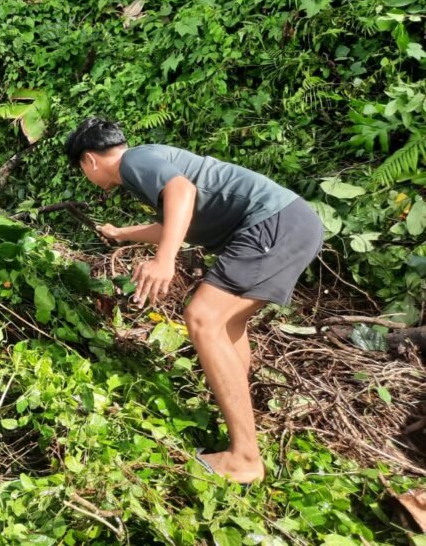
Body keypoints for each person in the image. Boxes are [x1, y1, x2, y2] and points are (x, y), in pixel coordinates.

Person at [64, 117, 323, 484]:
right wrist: (122, 234)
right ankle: (237, 420)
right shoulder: (148, 163)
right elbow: (176, 218)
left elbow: (181, 192)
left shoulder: (135, 161)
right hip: (288, 222)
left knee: (202, 318)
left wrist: (164, 260)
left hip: (273, 224)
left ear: (89, 160)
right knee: (228, 326)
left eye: (81, 170)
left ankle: (245, 459)